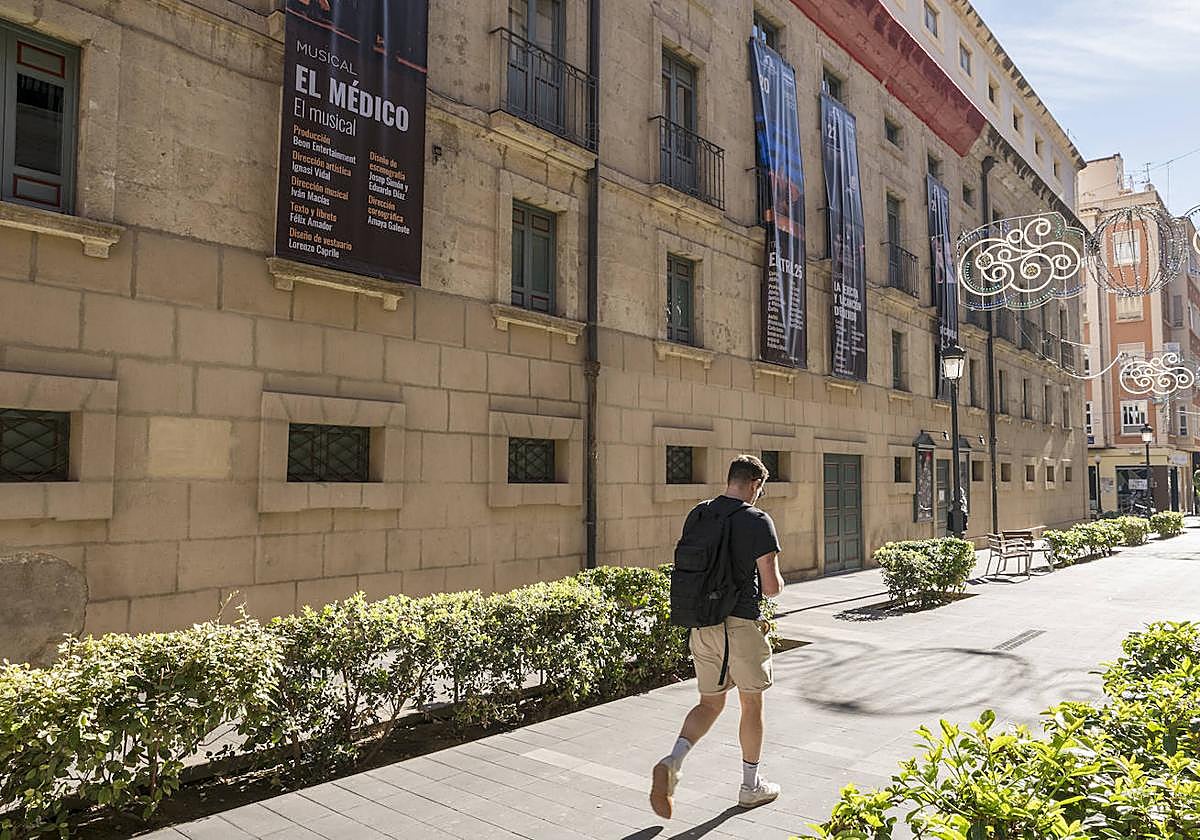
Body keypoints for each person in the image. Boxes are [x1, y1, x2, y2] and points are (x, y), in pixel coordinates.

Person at [649, 455, 786, 818]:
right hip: (740, 625)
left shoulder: (700, 513)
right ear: (755, 484)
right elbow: (770, 587)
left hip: (702, 625)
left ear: (730, 480)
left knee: (709, 703)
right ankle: (751, 786)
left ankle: (673, 761)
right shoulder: (757, 520)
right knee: (751, 704)